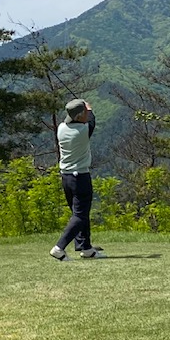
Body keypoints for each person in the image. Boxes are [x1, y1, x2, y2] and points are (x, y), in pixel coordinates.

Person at [49, 99, 107, 261]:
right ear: (81, 115)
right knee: (80, 215)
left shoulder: (61, 128)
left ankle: (86, 248)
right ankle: (59, 248)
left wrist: (84, 109)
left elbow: (85, 118)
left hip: (66, 178)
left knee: (79, 213)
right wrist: (89, 108)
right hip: (80, 177)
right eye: (85, 114)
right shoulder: (83, 131)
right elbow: (92, 121)